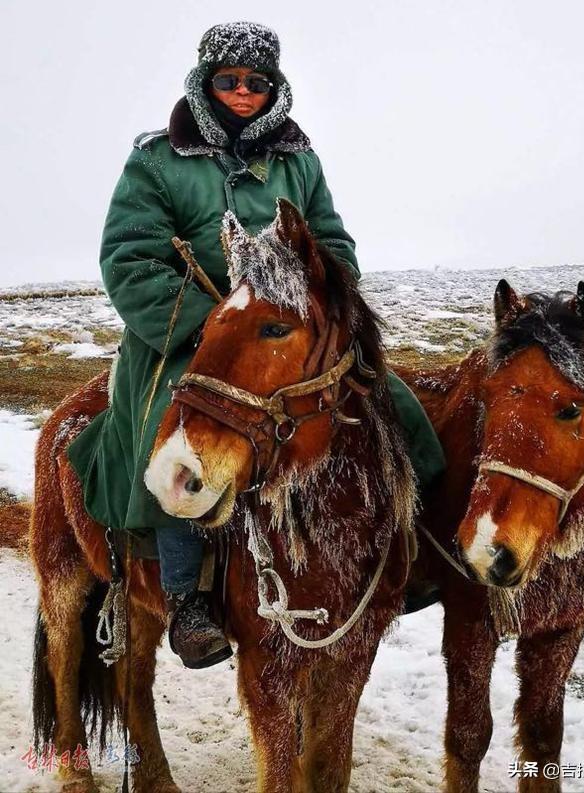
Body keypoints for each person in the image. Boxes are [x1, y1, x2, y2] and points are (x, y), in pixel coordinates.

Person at [68, 21, 445, 669]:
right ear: (206, 81)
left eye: (256, 81)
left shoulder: (299, 160)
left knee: (387, 399)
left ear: (274, 86)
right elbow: (127, 258)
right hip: (189, 332)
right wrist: (217, 321)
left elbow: (331, 242)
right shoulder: (157, 160)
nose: (243, 91)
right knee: (183, 431)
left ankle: (424, 547)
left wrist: (323, 307)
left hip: (287, 329)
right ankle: (188, 597)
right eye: (229, 79)